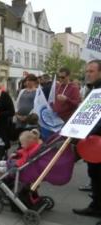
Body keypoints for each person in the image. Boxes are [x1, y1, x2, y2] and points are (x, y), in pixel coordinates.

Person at [72, 60, 101, 218]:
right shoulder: (93, 90)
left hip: (97, 139)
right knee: (94, 175)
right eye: (87, 71)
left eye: (91, 71)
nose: (88, 74)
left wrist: (88, 130)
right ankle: (96, 207)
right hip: (92, 142)